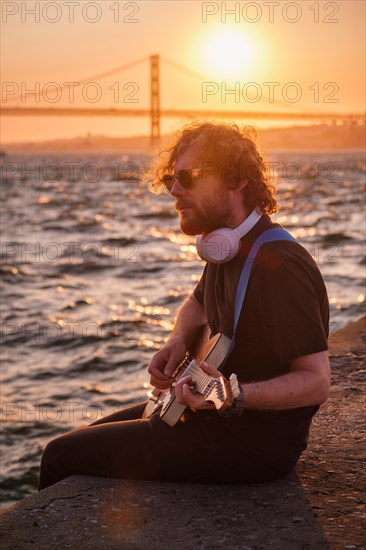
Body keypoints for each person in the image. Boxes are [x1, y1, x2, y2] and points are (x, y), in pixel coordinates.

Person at [38, 122, 330, 490]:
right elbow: (197, 303)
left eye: (187, 178)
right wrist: (178, 339)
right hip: (206, 419)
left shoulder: (279, 265)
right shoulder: (228, 247)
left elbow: (316, 381)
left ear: (237, 179)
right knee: (81, 441)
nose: (174, 190)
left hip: (249, 445)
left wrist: (234, 394)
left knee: (59, 456)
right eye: (169, 180)